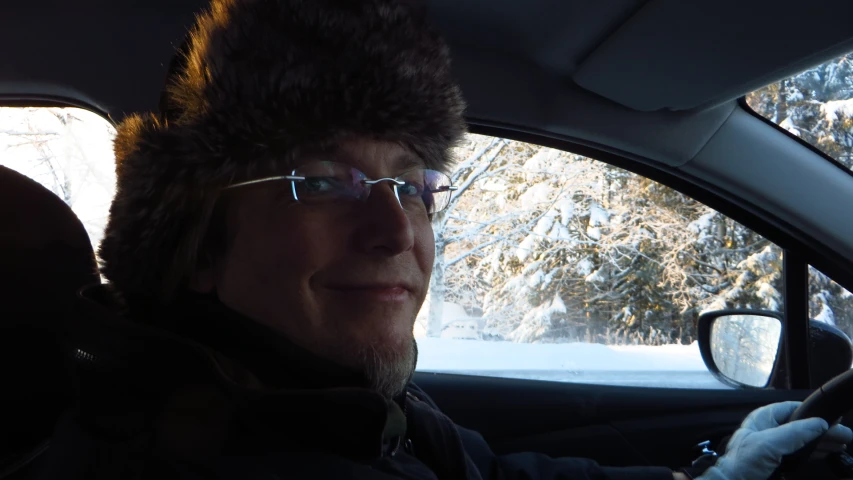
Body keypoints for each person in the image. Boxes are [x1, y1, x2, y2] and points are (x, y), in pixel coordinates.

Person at [36, 0, 851, 479]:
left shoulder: (316, 392)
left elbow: (490, 476)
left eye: (412, 184)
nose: (396, 229)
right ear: (198, 244)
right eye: (321, 182)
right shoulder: (209, 445)